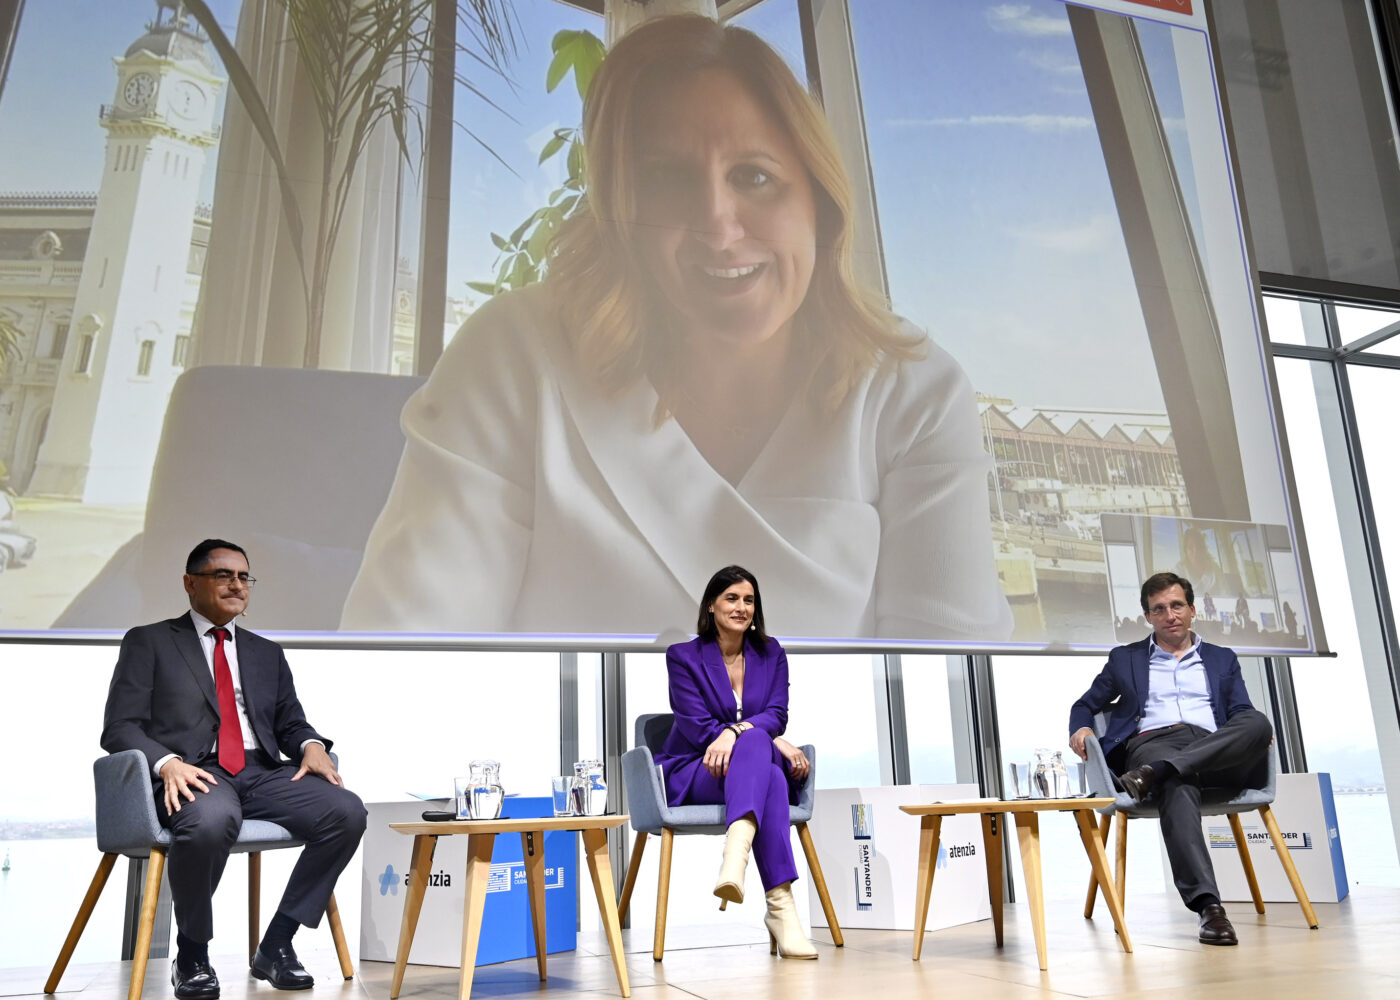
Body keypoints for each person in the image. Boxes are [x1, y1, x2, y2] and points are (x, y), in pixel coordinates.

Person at [341, 14, 1012, 643]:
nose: (718, 226)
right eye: (668, 178)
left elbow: (959, 688)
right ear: (621, 209)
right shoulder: (513, 356)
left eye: (754, 176)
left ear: (820, 199)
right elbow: (404, 653)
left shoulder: (914, 392)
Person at [102, 540, 367, 998]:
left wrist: (310, 744)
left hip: (261, 772)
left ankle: (277, 944)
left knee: (346, 812)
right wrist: (167, 763)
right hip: (195, 771)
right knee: (209, 821)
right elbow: (120, 727)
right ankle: (192, 954)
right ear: (190, 583)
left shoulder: (267, 652)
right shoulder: (150, 641)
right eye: (223, 575)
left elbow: (290, 723)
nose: (237, 585)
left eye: (244, 577)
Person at [1068, 571, 1271, 947]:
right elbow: (1085, 704)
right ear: (1148, 616)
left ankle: (1157, 774)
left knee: (1258, 722)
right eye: (1159, 609)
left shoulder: (1222, 658)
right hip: (1153, 743)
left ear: (1192, 610)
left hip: (1211, 747)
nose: (1169, 615)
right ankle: (1210, 909)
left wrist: (1251, 733)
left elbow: (1241, 711)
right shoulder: (1125, 659)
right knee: (1176, 781)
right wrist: (1080, 728)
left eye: (1177, 605)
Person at [653, 565, 817, 959]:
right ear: (711, 605)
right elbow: (697, 728)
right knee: (769, 767)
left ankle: (738, 856)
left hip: (748, 770)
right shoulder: (683, 657)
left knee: (766, 764)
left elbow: (777, 714)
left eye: (749, 600)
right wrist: (751, 736)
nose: (741, 607)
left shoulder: (771, 652)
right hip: (698, 769)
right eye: (732, 598)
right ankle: (781, 910)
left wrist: (739, 732)